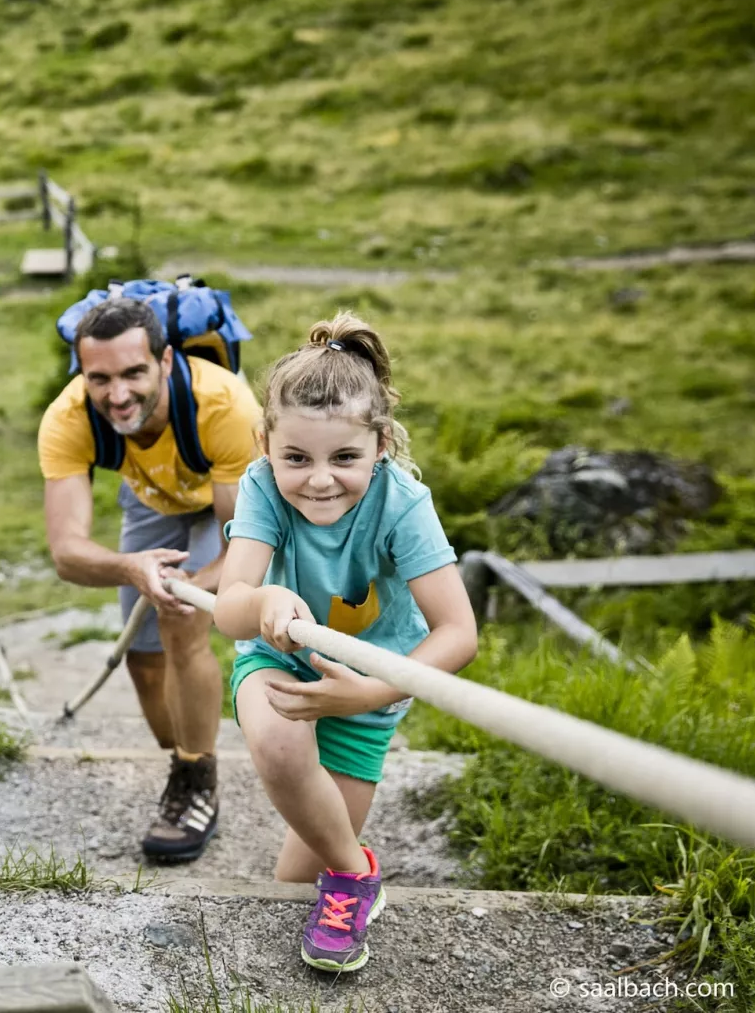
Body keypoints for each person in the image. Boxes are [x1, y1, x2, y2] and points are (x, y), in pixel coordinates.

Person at [211, 312, 477, 972]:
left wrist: (368, 694)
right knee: (276, 742)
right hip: (281, 659)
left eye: (345, 458)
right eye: (296, 456)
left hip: (372, 688)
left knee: (298, 877)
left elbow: (459, 633)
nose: (320, 479)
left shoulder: (403, 505)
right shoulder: (262, 486)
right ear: (266, 442)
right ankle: (360, 877)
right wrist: (265, 599)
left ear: (380, 445)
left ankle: (342, 880)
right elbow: (229, 610)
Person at [38, 298, 262, 862]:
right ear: (82, 374)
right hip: (151, 501)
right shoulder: (68, 418)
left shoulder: (224, 405)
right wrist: (131, 568)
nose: (117, 395)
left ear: (164, 360)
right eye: (101, 378)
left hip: (223, 505)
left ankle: (196, 781)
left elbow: (243, 549)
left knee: (181, 617)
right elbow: (66, 552)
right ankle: (183, 753)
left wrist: (190, 586)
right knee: (143, 659)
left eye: (134, 373)